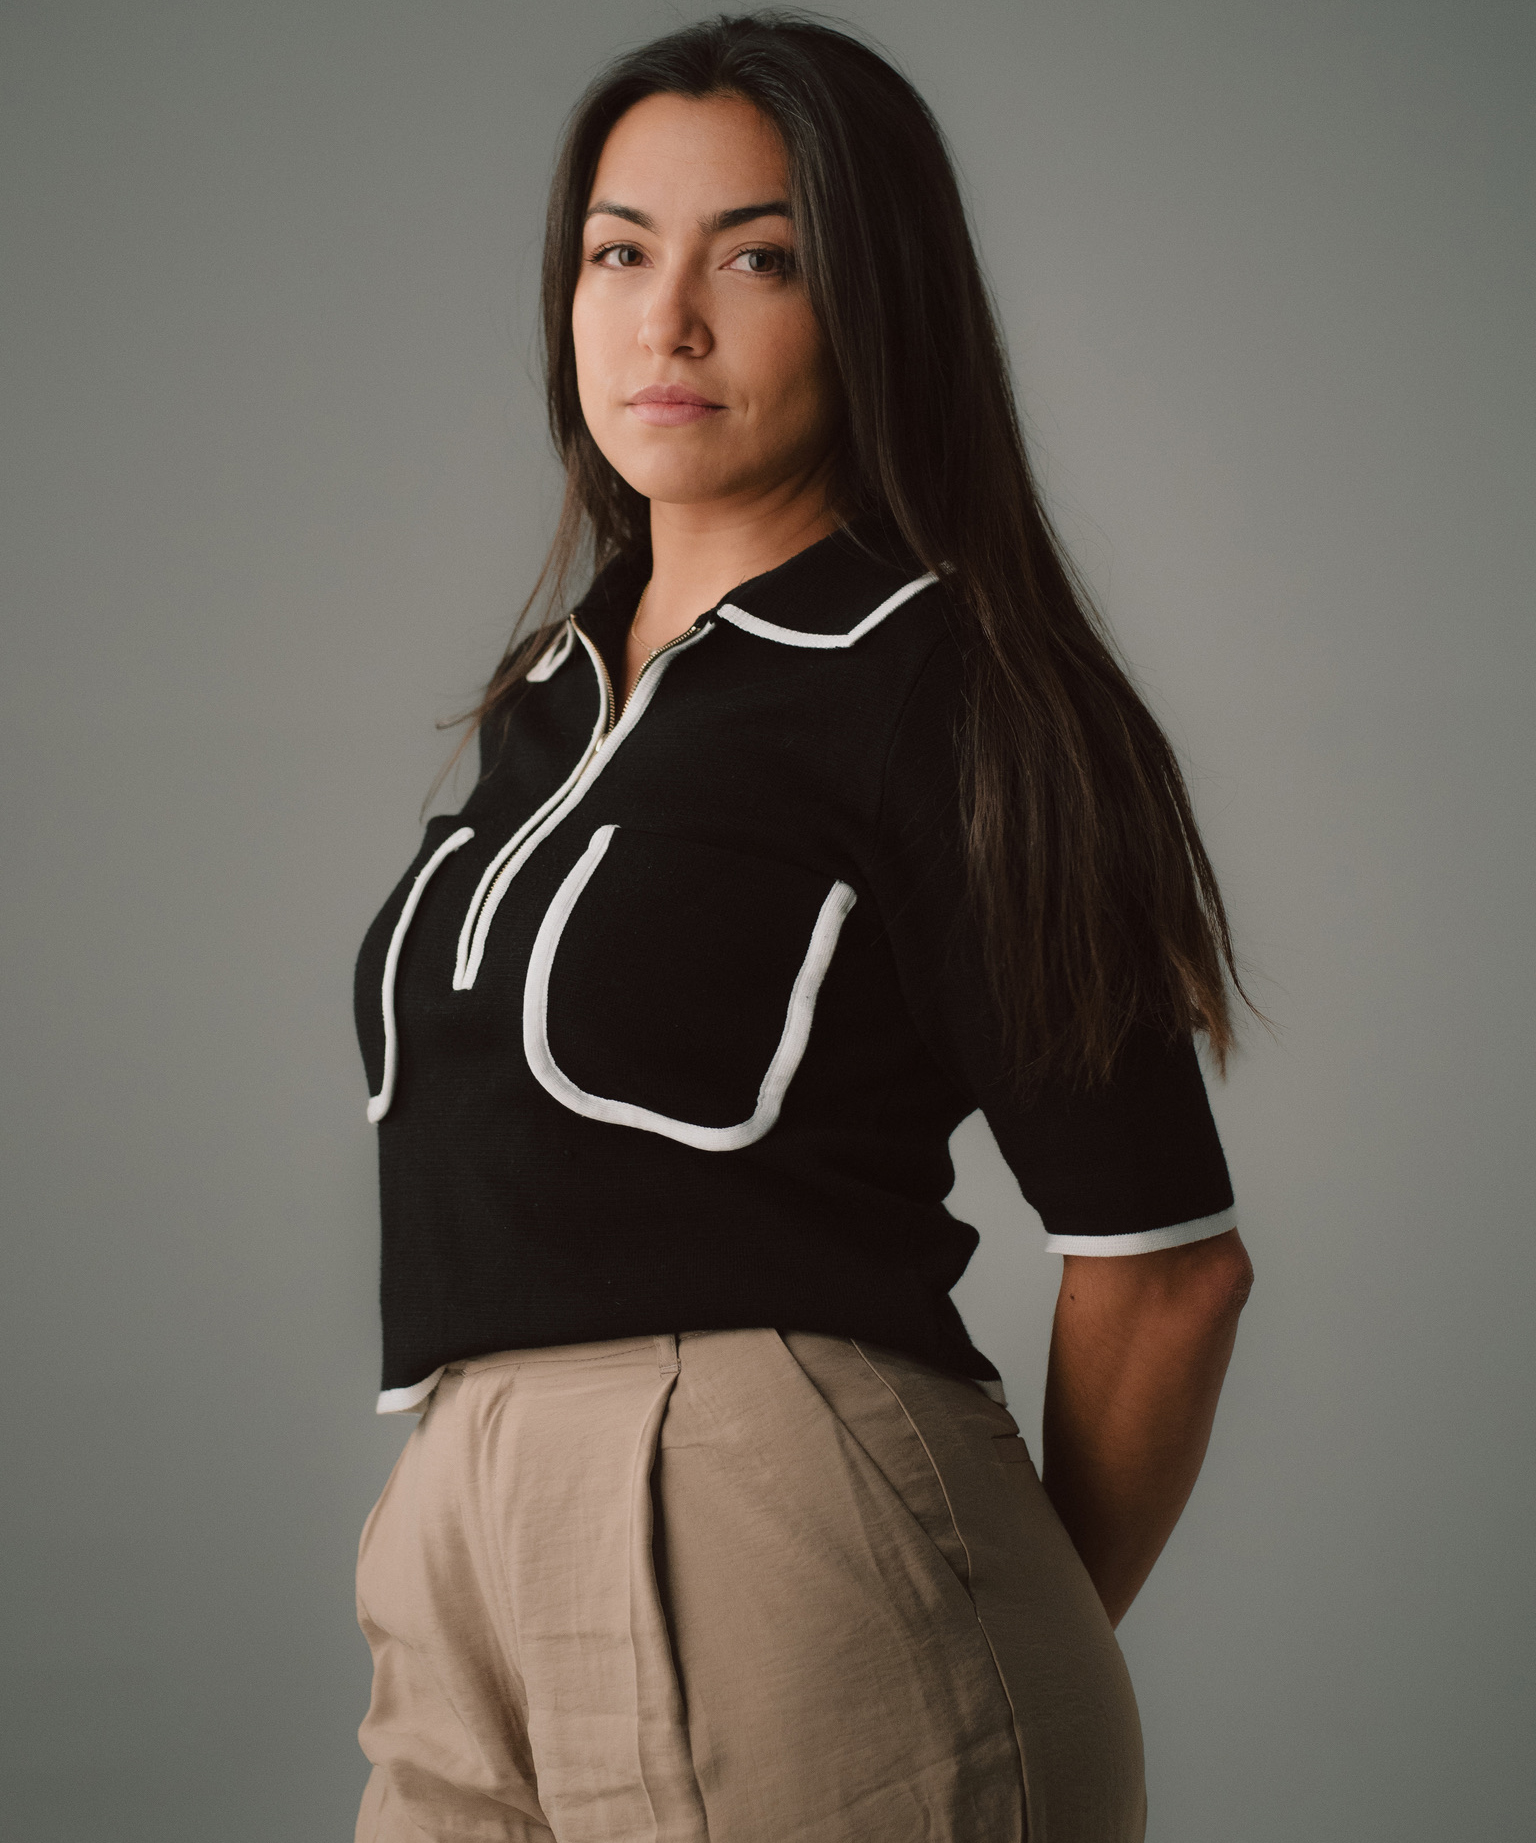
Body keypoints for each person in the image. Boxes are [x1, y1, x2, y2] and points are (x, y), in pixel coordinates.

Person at [350, 13, 1254, 1841]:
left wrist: (966, 1615)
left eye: (758, 259)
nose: (667, 322)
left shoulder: (950, 689)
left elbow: (1166, 1272)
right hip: (454, 1535)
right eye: (620, 254)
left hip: (791, 1547)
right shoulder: (547, 703)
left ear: (875, 302)